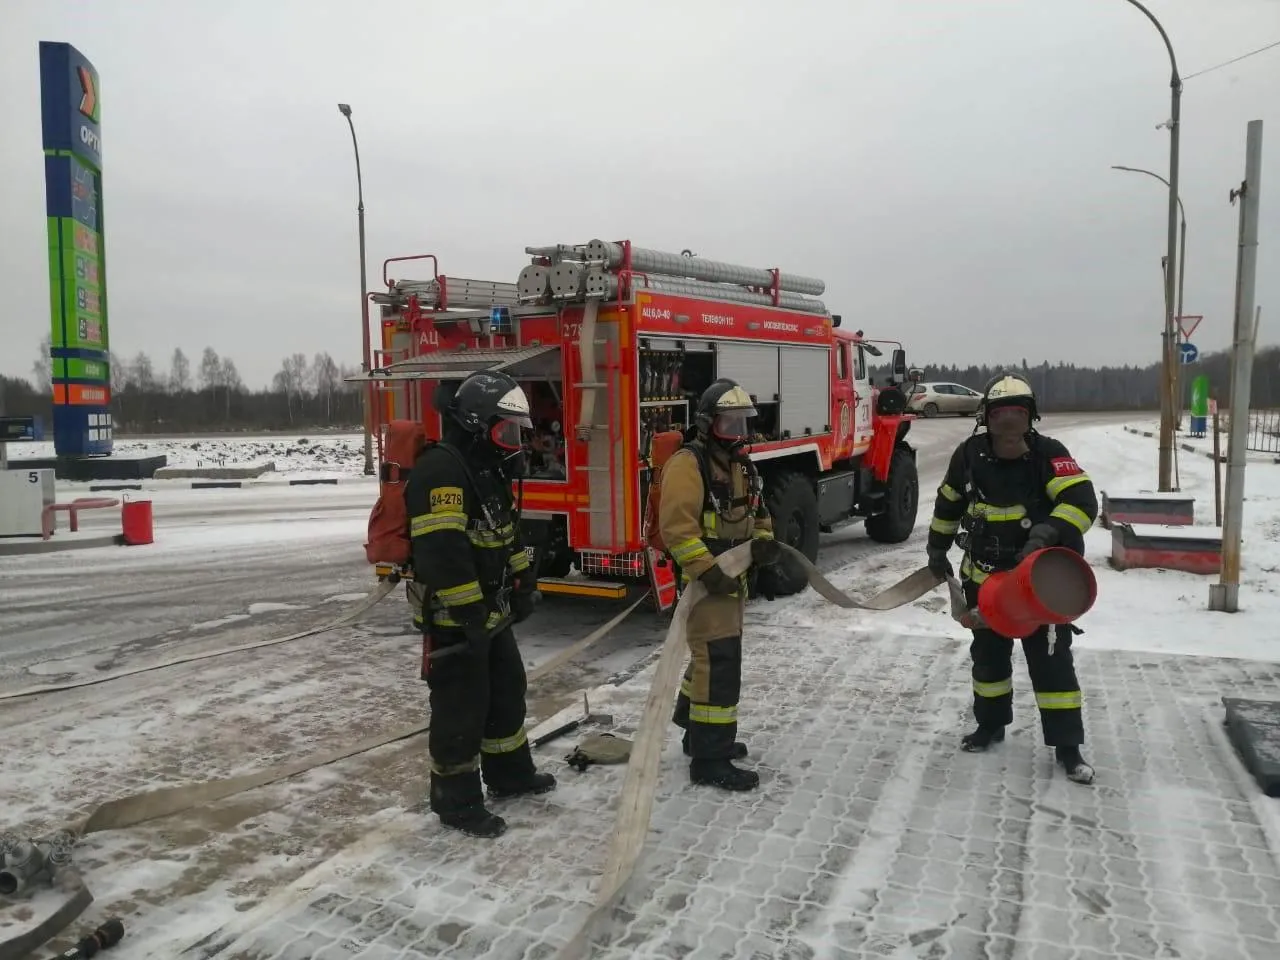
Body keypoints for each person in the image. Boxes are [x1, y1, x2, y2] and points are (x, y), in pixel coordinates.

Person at [925, 372, 1099, 784]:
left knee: (1053, 665)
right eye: (1000, 414)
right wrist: (936, 547)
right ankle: (990, 725)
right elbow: (948, 501)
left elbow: (1082, 502)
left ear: (1031, 417)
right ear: (986, 417)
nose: (1008, 423)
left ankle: (1068, 746)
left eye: (1016, 414)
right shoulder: (968, 454)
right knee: (988, 661)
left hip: (1037, 586)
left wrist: (1046, 534)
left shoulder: (1050, 454)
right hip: (983, 581)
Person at [404, 370, 555, 838]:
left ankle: (510, 775)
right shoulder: (441, 471)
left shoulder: (485, 470)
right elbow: (442, 554)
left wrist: (522, 577)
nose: (512, 443)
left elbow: (501, 532)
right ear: (475, 422)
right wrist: (469, 613)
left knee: (507, 691)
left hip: (490, 613)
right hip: (455, 619)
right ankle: (456, 800)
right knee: (460, 709)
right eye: (504, 431)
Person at [658, 378, 782, 792]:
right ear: (708, 424)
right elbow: (677, 529)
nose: (738, 434)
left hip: (732, 580)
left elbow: (758, 513)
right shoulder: (686, 465)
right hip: (707, 583)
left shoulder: (741, 465)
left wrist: (763, 542)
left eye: (743, 424)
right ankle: (710, 759)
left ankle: (695, 731)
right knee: (719, 661)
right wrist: (708, 571)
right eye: (729, 425)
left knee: (709, 658)